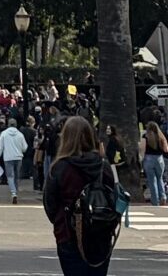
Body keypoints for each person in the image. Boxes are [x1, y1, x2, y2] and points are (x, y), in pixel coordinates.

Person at [44, 115, 119, 276]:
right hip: (101, 230)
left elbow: (50, 204)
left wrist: (62, 220)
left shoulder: (60, 167)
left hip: (69, 233)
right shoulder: (103, 166)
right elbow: (114, 196)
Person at [0, 118, 28, 205]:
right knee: (17, 176)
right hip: (18, 157)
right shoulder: (20, 134)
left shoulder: (4, 134)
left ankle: (13, 193)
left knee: (10, 176)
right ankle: (16, 191)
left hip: (8, 158)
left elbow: (0, 147)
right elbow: (25, 147)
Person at [141, 121, 166, 207]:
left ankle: (155, 201)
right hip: (159, 159)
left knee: (152, 181)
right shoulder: (160, 136)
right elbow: (166, 149)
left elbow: (143, 149)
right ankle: (163, 196)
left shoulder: (145, 136)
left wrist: (141, 159)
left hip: (149, 158)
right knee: (160, 178)